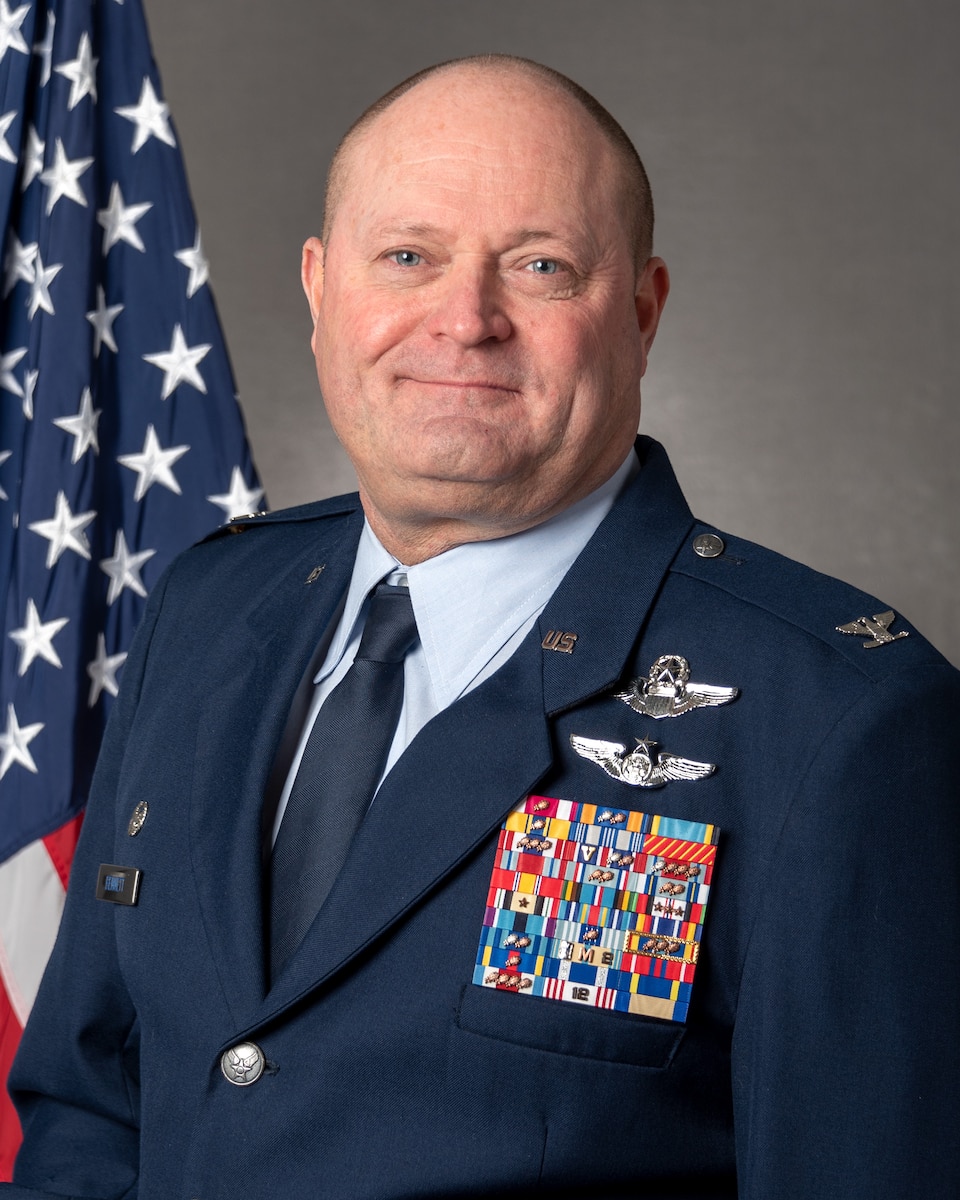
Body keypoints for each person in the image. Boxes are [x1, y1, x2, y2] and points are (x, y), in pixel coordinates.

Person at [5, 55, 959, 1200]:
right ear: (320, 291)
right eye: (407, 256)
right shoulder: (211, 611)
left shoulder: (840, 719)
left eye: (541, 266)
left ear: (642, 315)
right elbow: (91, 1104)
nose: (465, 320)